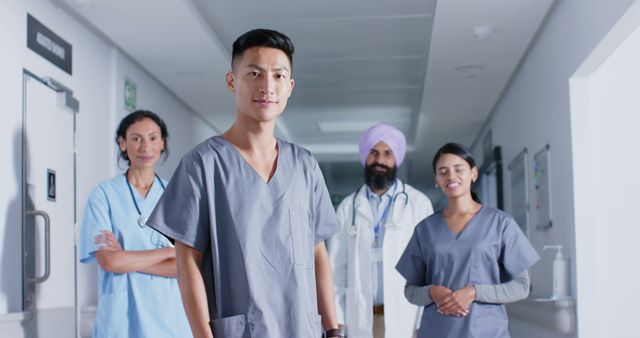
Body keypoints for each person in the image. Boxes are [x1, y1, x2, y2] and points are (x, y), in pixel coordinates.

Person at [146, 29, 343, 338]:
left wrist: (333, 330)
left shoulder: (305, 166)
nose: (267, 86)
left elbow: (318, 254)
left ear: (289, 87)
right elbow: (188, 265)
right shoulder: (202, 165)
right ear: (231, 81)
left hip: (302, 328)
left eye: (278, 76)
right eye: (254, 73)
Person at [396, 143, 540, 337]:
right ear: (436, 180)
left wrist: (474, 292)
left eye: (458, 169)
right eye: (443, 171)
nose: (451, 176)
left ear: (473, 173)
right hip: (438, 331)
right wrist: (431, 292)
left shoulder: (501, 223)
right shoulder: (425, 230)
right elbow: (410, 291)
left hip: (487, 332)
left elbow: (521, 287)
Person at [79, 110, 191, 338]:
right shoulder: (103, 195)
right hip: (121, 320)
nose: (145, 147)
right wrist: (167, 251)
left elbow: (185, 267)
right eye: (136, 138)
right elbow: (109, 262)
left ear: (162, 143)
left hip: (169, 320)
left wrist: (126, 258)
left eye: (152, 138)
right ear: (122, 143)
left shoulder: (178, 195)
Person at [327, 124, 434, 338]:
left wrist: (424, 319)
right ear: (365, 157)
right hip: (360, 317)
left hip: (405, 315)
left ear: (397, 159)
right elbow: (336, 271)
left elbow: (429, 267)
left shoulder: (418, 204)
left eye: (387, 153)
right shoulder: (348, 208)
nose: (380, 161)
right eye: (373, 153)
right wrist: (336, 322)